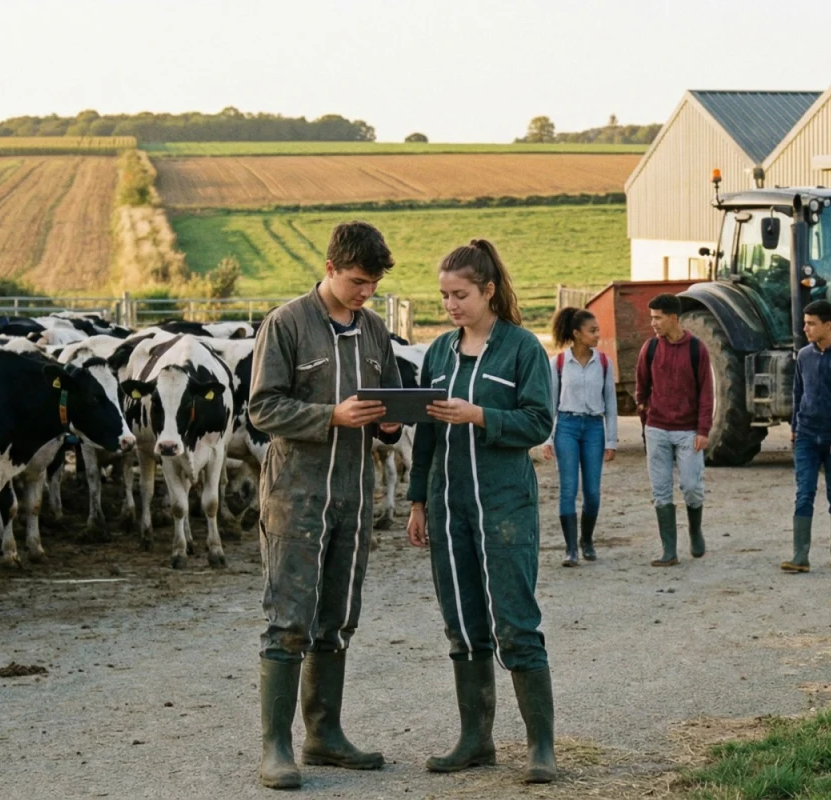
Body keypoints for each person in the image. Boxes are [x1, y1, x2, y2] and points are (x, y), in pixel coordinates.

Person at [247, 220, 406, 789]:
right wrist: (328, 416)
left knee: (338, 618)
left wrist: (390, 423)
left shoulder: (375, 331)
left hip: (354, 496)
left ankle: (325, 735)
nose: (366, 292)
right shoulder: (286, 324)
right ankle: (275, 748)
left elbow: (388, 402)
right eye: (359, 281)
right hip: (296, 494)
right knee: (289, 619)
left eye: (374, 284)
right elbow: (262, 409)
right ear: (331, 267)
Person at [405, 239, 558, 783]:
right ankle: (476, 741)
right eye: (444, 296)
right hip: (448, 507)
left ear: (488, 291)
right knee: (463, 624)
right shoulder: (439, 352)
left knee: (515, 623)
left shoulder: (522, 350)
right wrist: (418, 500)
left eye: (460, 295)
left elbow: (538, 422)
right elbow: (424, 432)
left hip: (504, 505)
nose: (451, 306)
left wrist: (479, 415)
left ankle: (541, 747)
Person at [780, 300, 831, 574]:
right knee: (804, 493)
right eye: (805, 323)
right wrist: (794, 427)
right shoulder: (803, 356)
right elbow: (798, 393)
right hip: (806, 435)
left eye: (812, 323)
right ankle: (800, 555)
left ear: (828, 325)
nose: (806, 328)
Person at [634, 293, 713, 567]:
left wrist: (703, 430)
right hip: (657, 429)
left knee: (692, 487)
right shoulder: (650, 348)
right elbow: (641, 386)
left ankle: (695, 530)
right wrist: (645, 415)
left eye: (658, 318)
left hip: (689, 432)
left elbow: (707, 392)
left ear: (673, 318)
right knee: (661, 491)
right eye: (651, 317)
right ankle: (669, 550)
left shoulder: (697, 349)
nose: (653, 323)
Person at [541, 306, 618, 566]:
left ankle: (587, 539)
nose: (598, 335)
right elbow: (550, 403)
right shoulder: (559, 363)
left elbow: (611, 404)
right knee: (568, 489)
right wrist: (548, 438)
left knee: (593, 492)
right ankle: (570, 549)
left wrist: (611, 441)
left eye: (597, 330)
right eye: (592, 331)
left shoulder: (604, 363)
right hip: (566, 426)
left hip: (594, 428)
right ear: (577, 333)